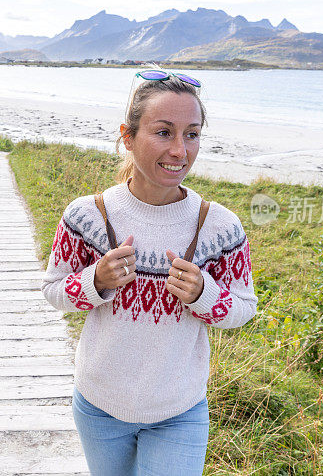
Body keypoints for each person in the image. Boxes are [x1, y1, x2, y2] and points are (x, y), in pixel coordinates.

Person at [41, 68, 259, 476]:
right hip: (98, 405)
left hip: (179, 410)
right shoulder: (86, 216)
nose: (180, 150)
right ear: (127, 136)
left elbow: (244, 308)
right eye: (164, 132)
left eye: (191, 134)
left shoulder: (220, 226)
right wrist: (96, 281)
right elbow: (54, 290)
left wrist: (203, 294)